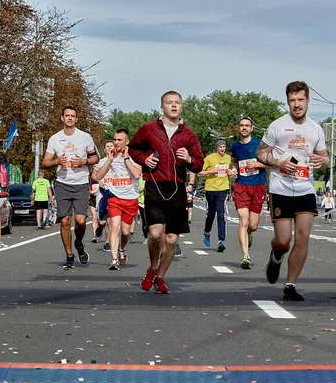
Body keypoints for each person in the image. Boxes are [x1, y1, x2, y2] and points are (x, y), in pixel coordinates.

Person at [256, 81, 329, 301]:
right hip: (281, 187)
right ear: (288, 101)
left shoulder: (316, 129)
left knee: (303, 237)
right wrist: (278, 161)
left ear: (308, 100)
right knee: (283, 240)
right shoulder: (277, 126)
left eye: (300, 100)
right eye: (292, 100)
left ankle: (290, 285)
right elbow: (260, 154)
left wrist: (322, 160)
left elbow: (325, 159)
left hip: (305, 188)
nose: (296, 105)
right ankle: (276, 256)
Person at [128, 90, 204, 294]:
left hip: (177, 188)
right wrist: (144, 159)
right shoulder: (148, 129)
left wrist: (188, 159)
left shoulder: (188, 135)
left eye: (177, 103)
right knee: (155, 234)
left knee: (171, 239)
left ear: (181, 106)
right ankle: (153, 267)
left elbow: (199, 164)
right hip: (154, 185)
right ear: (162, 106)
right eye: (169, 103)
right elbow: (133, 149)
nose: (173, 106)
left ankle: (160, 277)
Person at [42, 106, 99, 269]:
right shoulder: (55, 139)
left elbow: (95, 157)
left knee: (80, 221)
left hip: (80, 182)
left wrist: (84, 161)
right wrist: (56, 162)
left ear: (76, 119)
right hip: (62, 183)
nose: (69, 118)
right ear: (62, 118)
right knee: (65, 221)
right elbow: (45, 163)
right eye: (67, 115)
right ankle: (69, 254)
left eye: (72, 116)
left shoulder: (85, 137)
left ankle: (79, 243)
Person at [92, 129, 142, 270]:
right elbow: (98, 176)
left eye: (119, 140)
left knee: (125, 232)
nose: (116, 142)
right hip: (114, 196)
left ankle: (121, 249)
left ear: (127, 141)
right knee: (114, 226)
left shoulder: (135, 156)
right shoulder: (110, 156)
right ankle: (114, 260)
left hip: (131, 198)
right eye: (115, 139)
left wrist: (126, 158)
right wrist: (109, 160)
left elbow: (137, 175)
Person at [231, 117, 268, 269]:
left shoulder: (260, 144)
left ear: (252, 128)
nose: (244, 128)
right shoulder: (235, 146)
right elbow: (234, 161)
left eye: (247, 126)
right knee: (243, 222)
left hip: (257, 185)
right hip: (241, 186)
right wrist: (233, 169)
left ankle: (250, 234)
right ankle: (245, 256)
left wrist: (257, 164)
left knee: (253, 225)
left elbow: (271, 162)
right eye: (242, 125)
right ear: (239, 128)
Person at [194, 140, 232, 253]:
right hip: (210, 190)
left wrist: (231, 172)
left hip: (223, 189)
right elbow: (199, 173)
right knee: (211, 214)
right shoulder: (209, 158)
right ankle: (207, 232)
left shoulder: (228, 158)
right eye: (220, 147)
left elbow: (229, 170)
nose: (222, 149)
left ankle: (221, 241)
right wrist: (211, 171)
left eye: (224, 147)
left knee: (221, 215)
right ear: (216, 148)